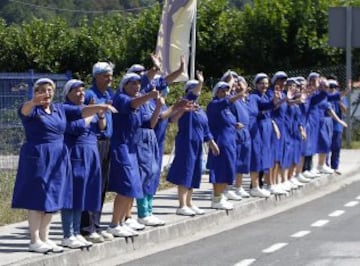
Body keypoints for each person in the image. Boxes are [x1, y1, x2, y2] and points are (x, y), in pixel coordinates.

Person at [11, 78, 115, 253]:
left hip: (58, 155)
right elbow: (24, 111)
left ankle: (45, 237)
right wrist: (33, 101)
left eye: (50, 90)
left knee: (53, 196)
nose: (47, 93)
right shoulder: (32, 109)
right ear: (35, 92)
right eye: (42, 90)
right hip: (39, 156)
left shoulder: (59, 108)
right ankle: (34, 240)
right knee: (38, 198)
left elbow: (80, 111)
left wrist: (100, 108)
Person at [107, 73, 159, 237]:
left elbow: (149, 123)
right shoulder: (121, 98)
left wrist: (156, 104)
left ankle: (122, 222)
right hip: (121, 147)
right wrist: (149, 95)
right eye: (132, 84)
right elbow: (132, 103)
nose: (136, 86)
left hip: (132, 149)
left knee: (133, 187)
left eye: (138, 84)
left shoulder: (138, 103)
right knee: (125, 186)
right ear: (124, 86)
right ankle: (114, 223)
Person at [167, 71, 219, 216]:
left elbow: (206, 128)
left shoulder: (199, 109)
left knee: (195, 172)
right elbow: (173, 118)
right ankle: (182, 204)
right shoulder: (185, 105)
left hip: (197, 145)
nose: (198, 91)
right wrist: (201, 82)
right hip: (186, 142)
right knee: (185, 171)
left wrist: (212, 143)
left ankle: (189, 202)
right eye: (194, 88)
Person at [61, 79, 105, 248]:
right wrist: (93, 112)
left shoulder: (86, 109)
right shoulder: (67, 109)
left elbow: (102, 127)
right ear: (68, 94)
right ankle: (67, 233)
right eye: (76, 91)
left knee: (81, 194)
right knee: (71, 195)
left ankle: (76, 232)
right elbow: (78, 127)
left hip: (90, 153)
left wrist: (99, 114)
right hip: (75, 154)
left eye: (82, 90)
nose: (81, 93)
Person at [81, 62, 115, 243]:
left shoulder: (108, 94)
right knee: (92, 185)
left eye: (110, 75)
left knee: (101, 186)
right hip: (93, 141)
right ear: (96, 76)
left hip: (106, 142)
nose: (109, 78)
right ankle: (87, 227)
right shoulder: (89, 95)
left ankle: (97, 224)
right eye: (105, 75)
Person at [206, 81, 246, 209]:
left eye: (227, 91)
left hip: (230, 141)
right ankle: (217, 198)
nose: (225, 93)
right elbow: (227, 101)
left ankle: (221, 195)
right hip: (220, 142)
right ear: (216, 92)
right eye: (222, 91)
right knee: (219, 170)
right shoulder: (214, 104)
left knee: (228, 169)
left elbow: (226, 121)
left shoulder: (226, 108)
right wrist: (241, 94)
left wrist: (235, 125)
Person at [327, 78, 348, 174]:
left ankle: (335, 167)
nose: (332, 89)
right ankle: (325, 166)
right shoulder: (325, 97)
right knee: (326, 147)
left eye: (334, 87)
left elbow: (345, 111)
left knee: (336, 147)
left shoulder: (340, 97)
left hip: (337, 126)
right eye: (330, 86)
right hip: (327, 125)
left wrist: (339, 101)